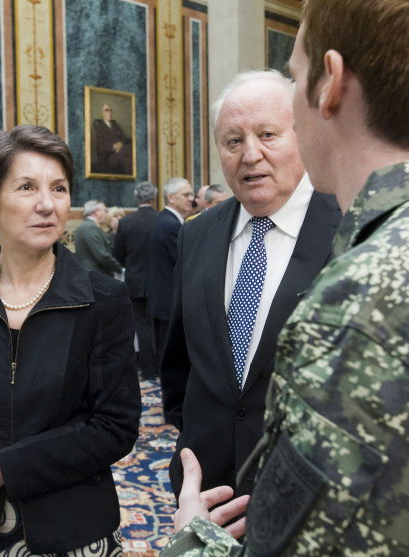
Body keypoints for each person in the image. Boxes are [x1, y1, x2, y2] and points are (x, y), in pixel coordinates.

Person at [166, 0, 409, 554]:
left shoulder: (355, 298)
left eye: (295, 74)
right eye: (233, 140)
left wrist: (194, 538)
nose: (251, 154)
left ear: (329, 83)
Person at [0, 125, 141, 557]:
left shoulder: (102, 299)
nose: (47, 204)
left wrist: (3, 467)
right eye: (26, 187)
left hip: (72, 528)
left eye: (59, 188)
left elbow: (114, 426)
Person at [160, 70, 340, 500]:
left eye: (267, 134)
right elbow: (179, 363)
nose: (250, 154)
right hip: (205, 490)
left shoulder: (350, 229)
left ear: (301, 135)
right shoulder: (196, 233)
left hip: (306, 497)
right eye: (233, 141)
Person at [113, 181, 159, 379]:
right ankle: (161, 367)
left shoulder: (126, 222)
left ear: (136, 198)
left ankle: (148, 370)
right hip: (161, 282)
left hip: (135, 281)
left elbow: (118, 254)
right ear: (154, 198)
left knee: (142, 327)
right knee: (161, 327)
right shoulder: (162, 219)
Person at [147, 177, 193, 371]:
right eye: (186, 195)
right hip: (169, 298)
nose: (191, 199)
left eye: (192, 194)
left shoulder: (165, 220)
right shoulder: (171, 225)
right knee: (171, 359)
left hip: (163, 297)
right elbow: (184, 262)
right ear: (171, 197)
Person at [73, 199, 123, 276]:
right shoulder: (91, 227)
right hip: (96, 275)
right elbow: (102, 256)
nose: (106, 214)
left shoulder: (86, 225)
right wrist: (120, 268)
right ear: (96, 211)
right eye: (105, 211)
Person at [92, 103, 133, 175]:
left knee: (127, 159)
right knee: (129, 148)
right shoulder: (99, 126)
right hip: (109, 158)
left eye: (111, 110)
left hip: (121, 152)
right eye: (107, 110)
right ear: (102, 114)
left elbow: (123, 138)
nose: (110, 113)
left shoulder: (115, 124)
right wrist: (114, 146)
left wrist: (120, 145)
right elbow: (100, 146)